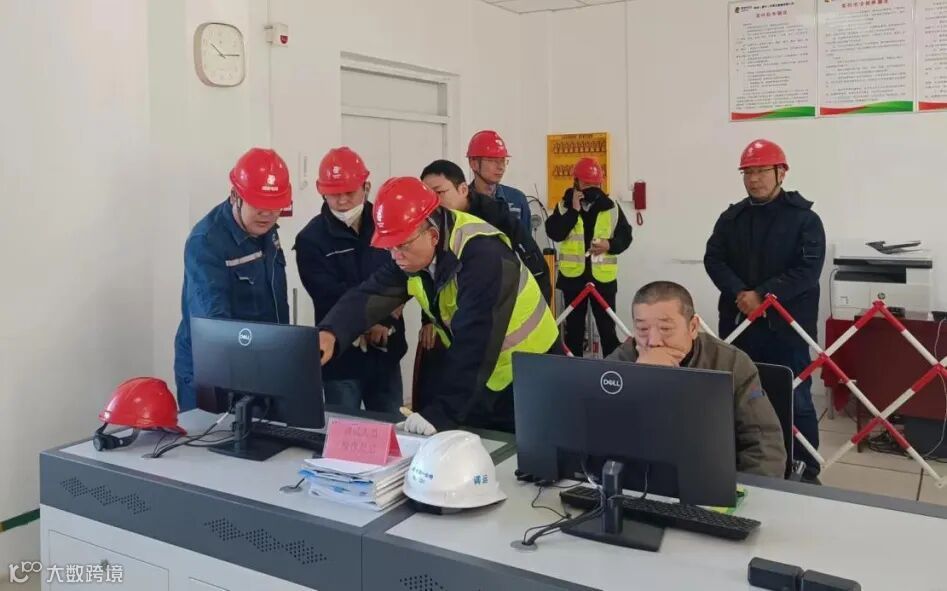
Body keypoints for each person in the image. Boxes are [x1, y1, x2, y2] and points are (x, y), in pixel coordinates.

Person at [317, 177, 560, 434]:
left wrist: (441, 413)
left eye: (401, 245)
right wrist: (331, 332)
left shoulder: (484, 257)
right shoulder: (413, 253)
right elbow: (373, 292)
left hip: (533, 376)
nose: (395, 255)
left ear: (433, 236)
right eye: (390, 247)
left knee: (528, 454)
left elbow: (475, 341)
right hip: (485, 379)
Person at [704, 139, 825, 479]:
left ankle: (806, 469)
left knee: (796, 399)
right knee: (739, 397)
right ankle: (745, 466)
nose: (754, 179)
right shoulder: (732, 218)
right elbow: (714, 259)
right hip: (740, 326)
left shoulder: (805, 220)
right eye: (748, 172)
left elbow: (807, 271)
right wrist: (740, 292)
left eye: (761, 171)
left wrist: (763, 295)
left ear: (781, 173)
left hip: (787, 328)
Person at [607, 281, 787, 478]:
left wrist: (747, 492)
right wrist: (638, 380)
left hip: (715, 477)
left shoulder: (730, 363)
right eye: (642, 329)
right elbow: (602, 434)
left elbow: (764, 442)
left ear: (693, 327)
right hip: (640, 479)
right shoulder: (620, 363)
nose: (653, 341)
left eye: (665, 328)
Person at [174, 147, 291, 411]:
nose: (268, 214)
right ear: (235, 196)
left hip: (262, 362)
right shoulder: (206, 242)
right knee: (213, 436)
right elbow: (214, 325)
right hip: (213, 368)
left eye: (275, 207)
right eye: (259, 205)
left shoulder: (266, 230)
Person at [294, 147, 407, 413]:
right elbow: (327, 294)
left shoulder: (387, 223)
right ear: (321, 191)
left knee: (392, 425)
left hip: (386, 350)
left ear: (366, 186)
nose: (343, 201)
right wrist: (370, 321)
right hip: (340, 359)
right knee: (343, 430)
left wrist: (387, 318)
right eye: (335, 194)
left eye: (349, 192)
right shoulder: (311, 239)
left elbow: (404, 272)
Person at [420, 159, 550, 304]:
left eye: (439, 192)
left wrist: (542, 304)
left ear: (463, 190)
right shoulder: (429, 223)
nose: (432, 202)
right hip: (454, 305)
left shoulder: (495, 216)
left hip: (500, 302)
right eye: (426, 196)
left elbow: (534, 263)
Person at [545, 157, 632, 357]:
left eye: (595, 184)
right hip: (573, 279)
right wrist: (573, 211)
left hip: (603, 279)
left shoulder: (611, 207)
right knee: (573, 331)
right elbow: (555, 233)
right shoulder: (564, 206)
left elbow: (626, 237)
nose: (591, 188)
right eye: (586, 184)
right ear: (576, 182)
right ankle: (574, 368)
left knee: (608, 330)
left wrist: (610, 245)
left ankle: (613, 369)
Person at [466, 130, 532, 231]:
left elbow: (526, 239)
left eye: (503, 161)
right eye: (493, 161)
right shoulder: (463, 201)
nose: (501, 167)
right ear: (473, 163)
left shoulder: (517, 199)